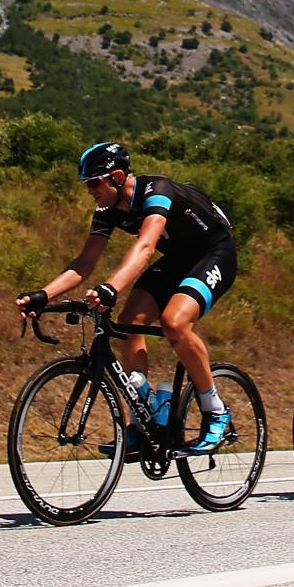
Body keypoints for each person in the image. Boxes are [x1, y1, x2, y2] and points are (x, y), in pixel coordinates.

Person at [17, 141, 240, 454]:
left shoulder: (156, 191)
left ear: (117, 177)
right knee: (127, 323)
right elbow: (84, 263)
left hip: (214, 253)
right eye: (85, 184)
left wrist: (112, 287)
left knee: (173, 323)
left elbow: (147, 247)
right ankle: (145, 419)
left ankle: (215, 409)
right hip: (178, 258)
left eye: (94, 182)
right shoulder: (107, 211)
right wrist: (43, 294)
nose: (89, 190)